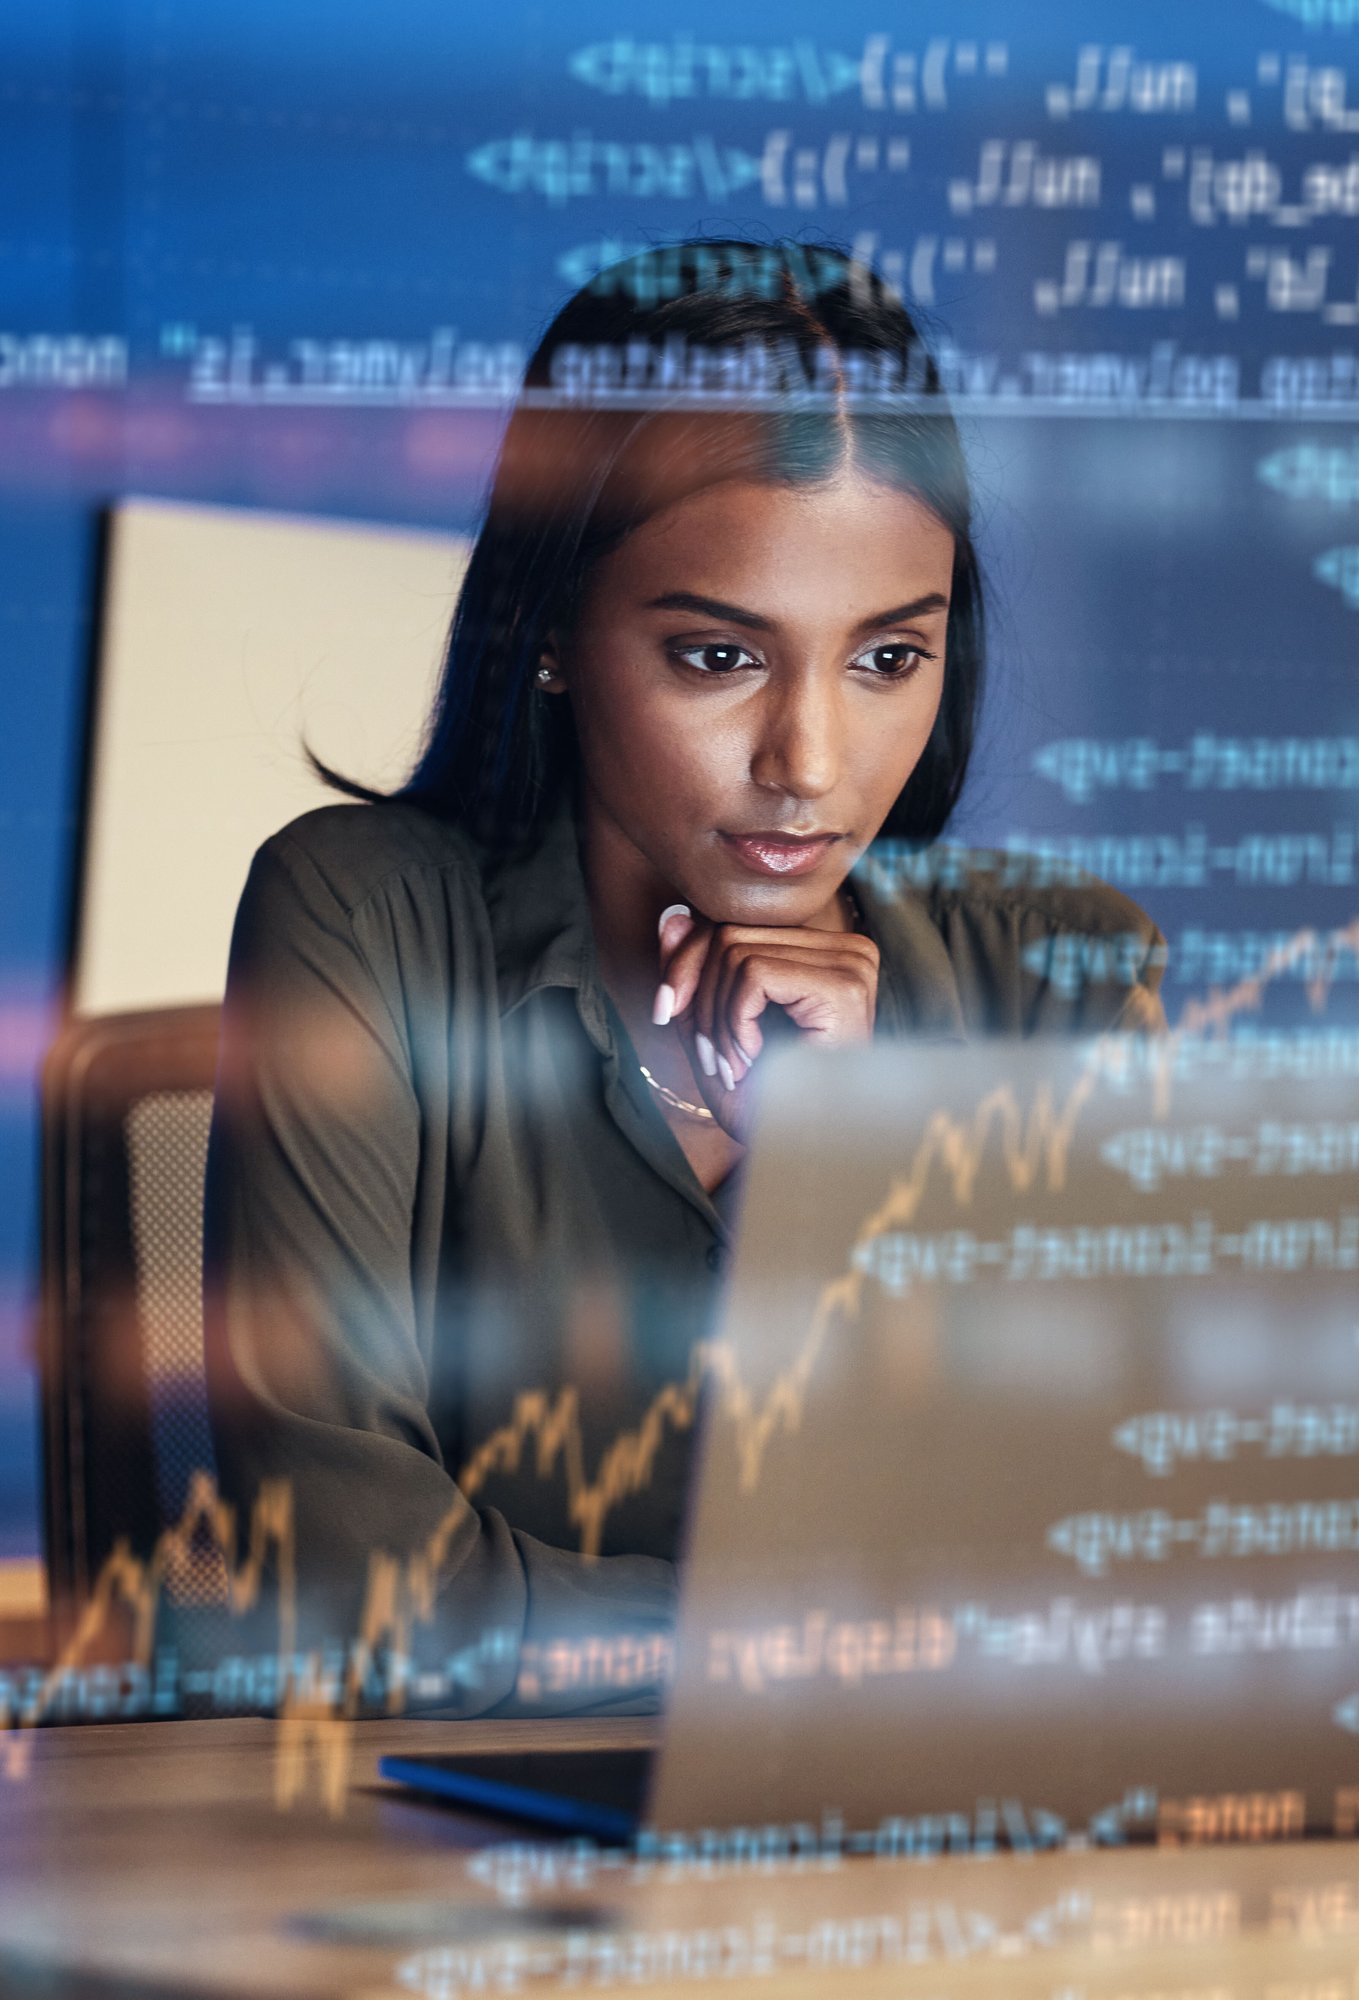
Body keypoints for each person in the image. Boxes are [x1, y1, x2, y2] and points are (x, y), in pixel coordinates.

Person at [201, 236, 1167, 1719]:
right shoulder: (362, 917)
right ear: (550, 636)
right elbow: (355, 1587)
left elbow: (1110, 1581)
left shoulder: (1066, 979)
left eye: (888, 659)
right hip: (451, 1875)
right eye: (720, 657)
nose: (813, 766)